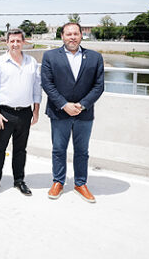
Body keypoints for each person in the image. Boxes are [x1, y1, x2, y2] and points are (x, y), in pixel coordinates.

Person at [41, 22, 104, 203]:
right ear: (62, 36)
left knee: (82, 151)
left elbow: (99, 86)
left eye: (76, 34)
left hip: (84, 113)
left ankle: (80, 183)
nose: (72, 37)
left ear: (81, 36)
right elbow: (47, 84)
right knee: (58, 149)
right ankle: (58, 182)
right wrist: (64, 104)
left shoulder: (94, 57)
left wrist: (82, 105)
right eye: (68, 34)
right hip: (59, 112)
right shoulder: (50, 56)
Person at [0, 28, 41, 196]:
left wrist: (36, 111)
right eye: (12, 41)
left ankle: (19, 180)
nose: (15, 44)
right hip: (5, 113)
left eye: (18, 41)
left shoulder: (31, 62)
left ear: (23, 42)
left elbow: (37, 88)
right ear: (7, 42)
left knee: (20, 150)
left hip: (25, 113)